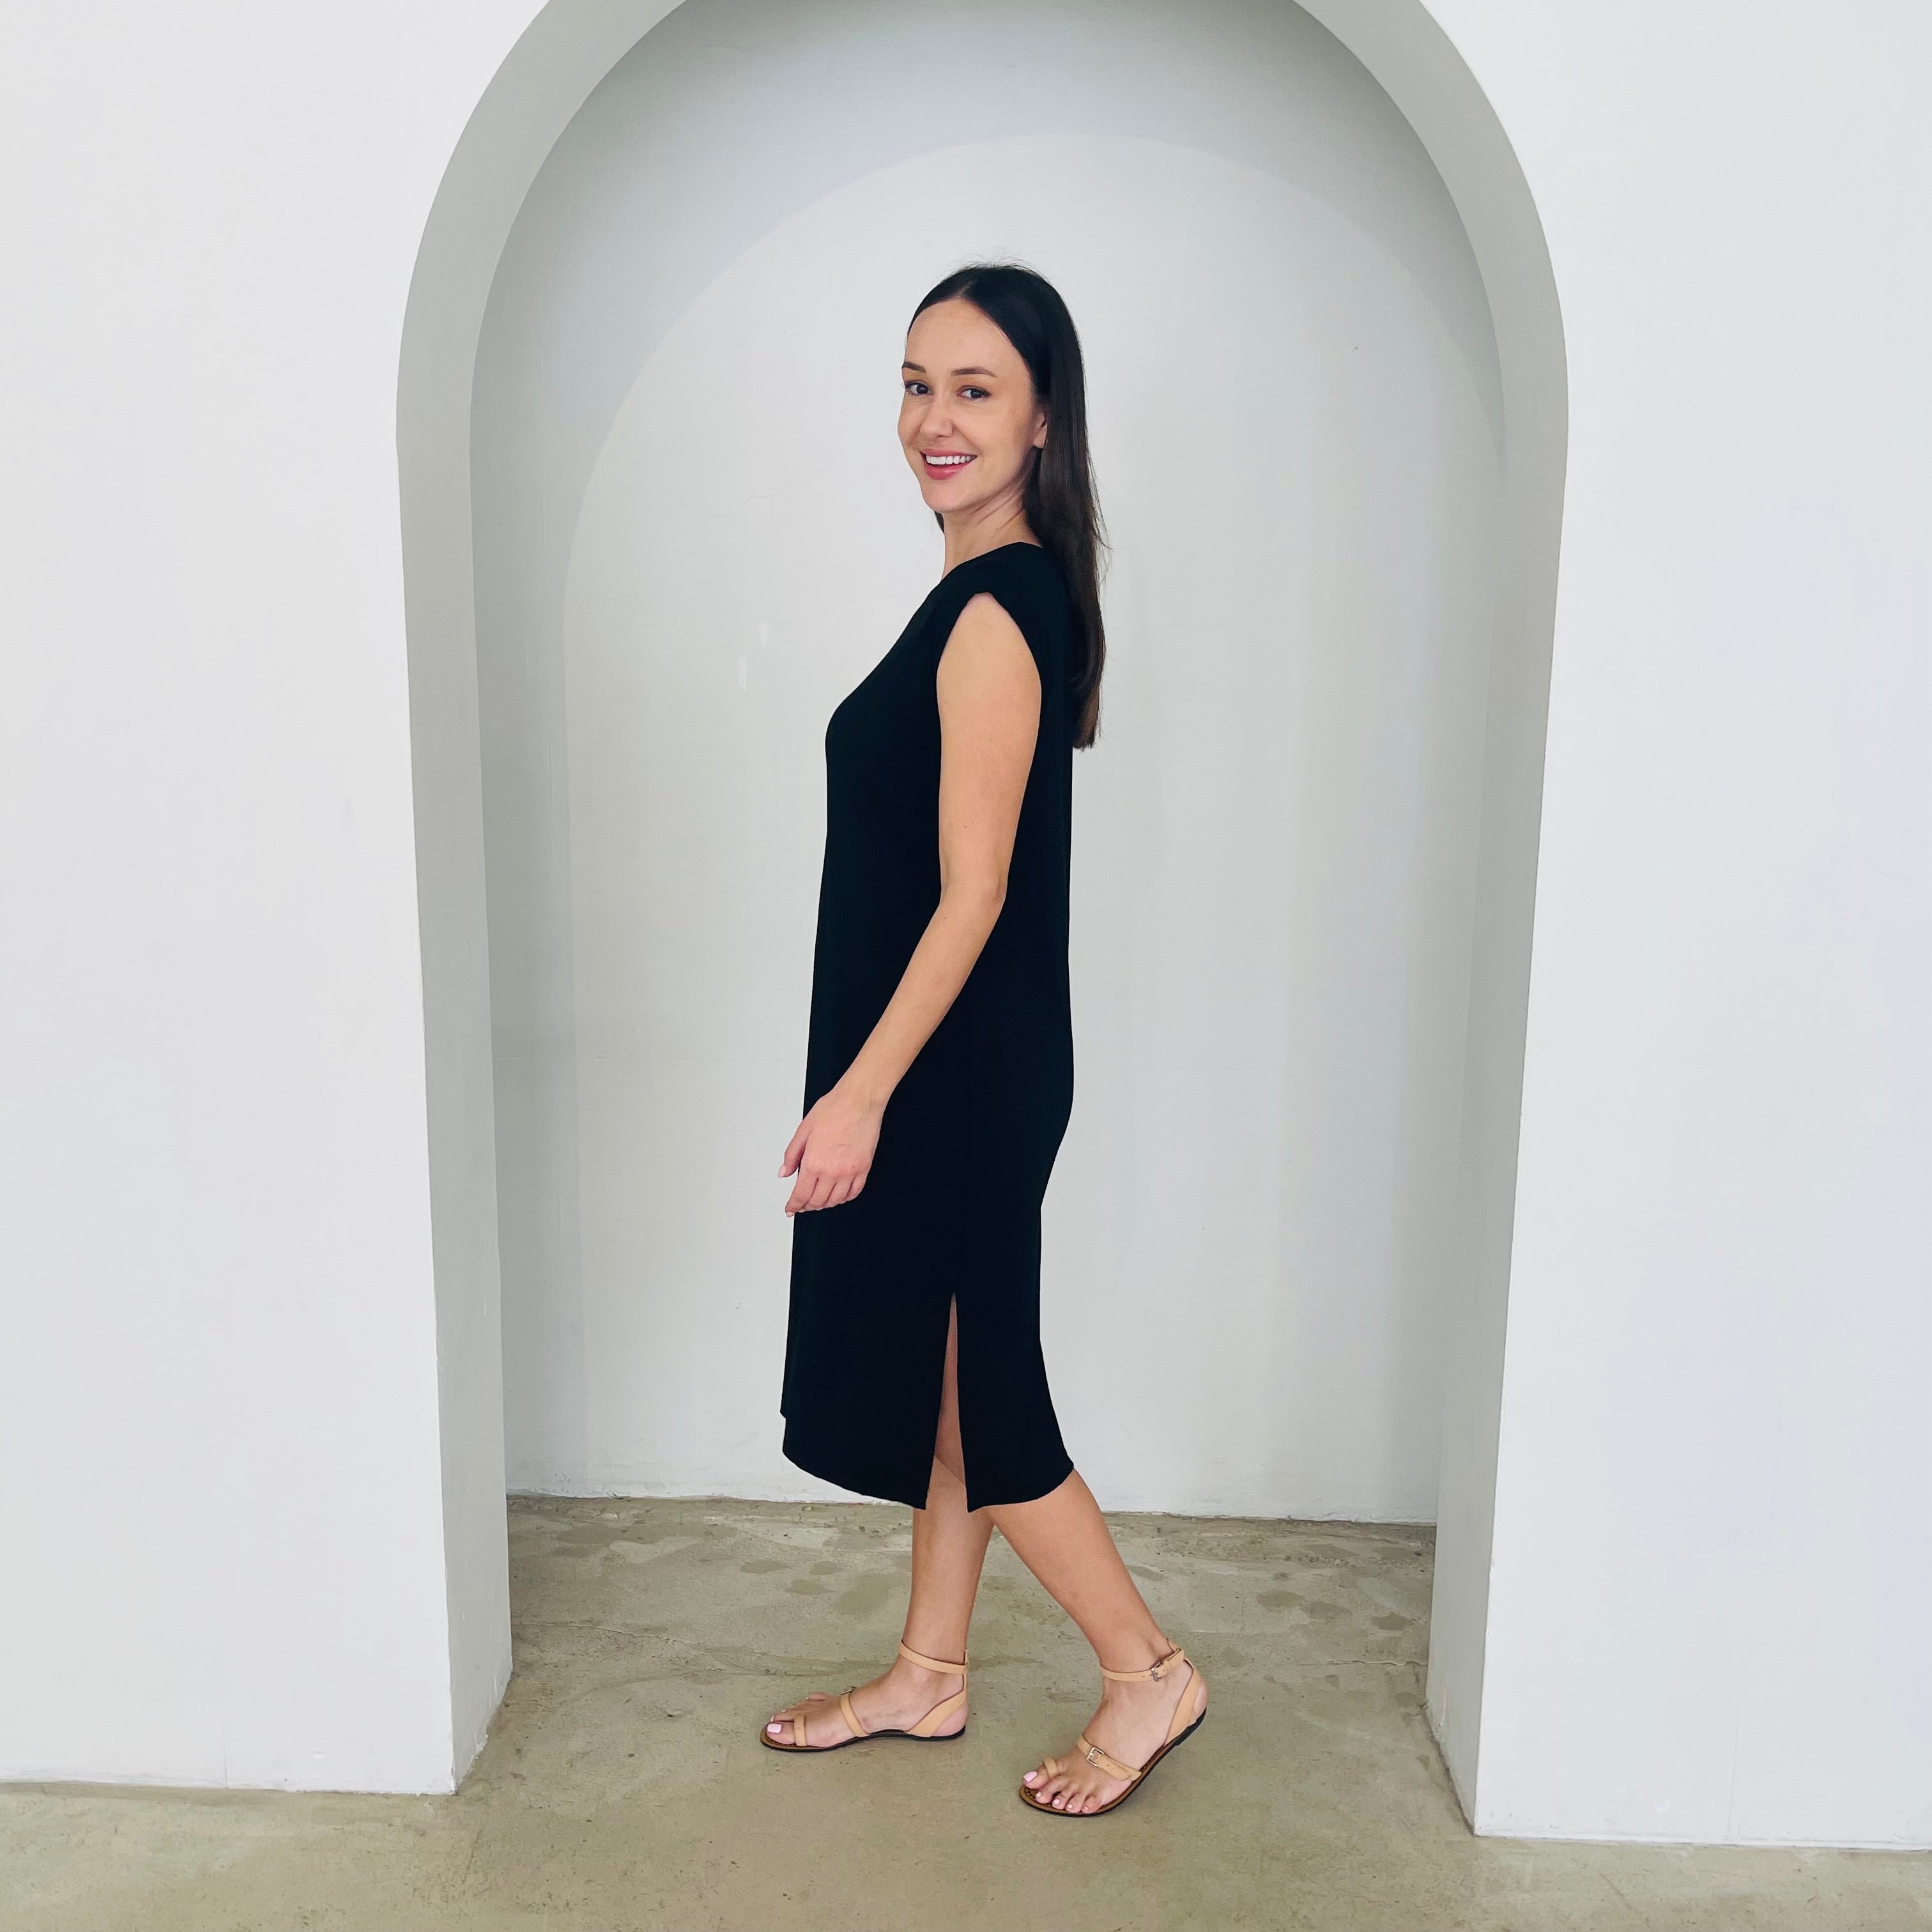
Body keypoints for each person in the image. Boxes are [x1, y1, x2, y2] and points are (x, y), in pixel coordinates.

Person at [757, 264, 1207, 1817]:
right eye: (914, 382)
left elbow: (977, 894)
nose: (931, 420)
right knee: (951, 1388)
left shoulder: (997, 613)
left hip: (959, 1073)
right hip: (959, 1058)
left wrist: (859, 1096)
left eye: (973, 390)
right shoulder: (987, 594)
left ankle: (1149, 1673)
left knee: (992, 1400)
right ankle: (929, 1676)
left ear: (1040, 424)